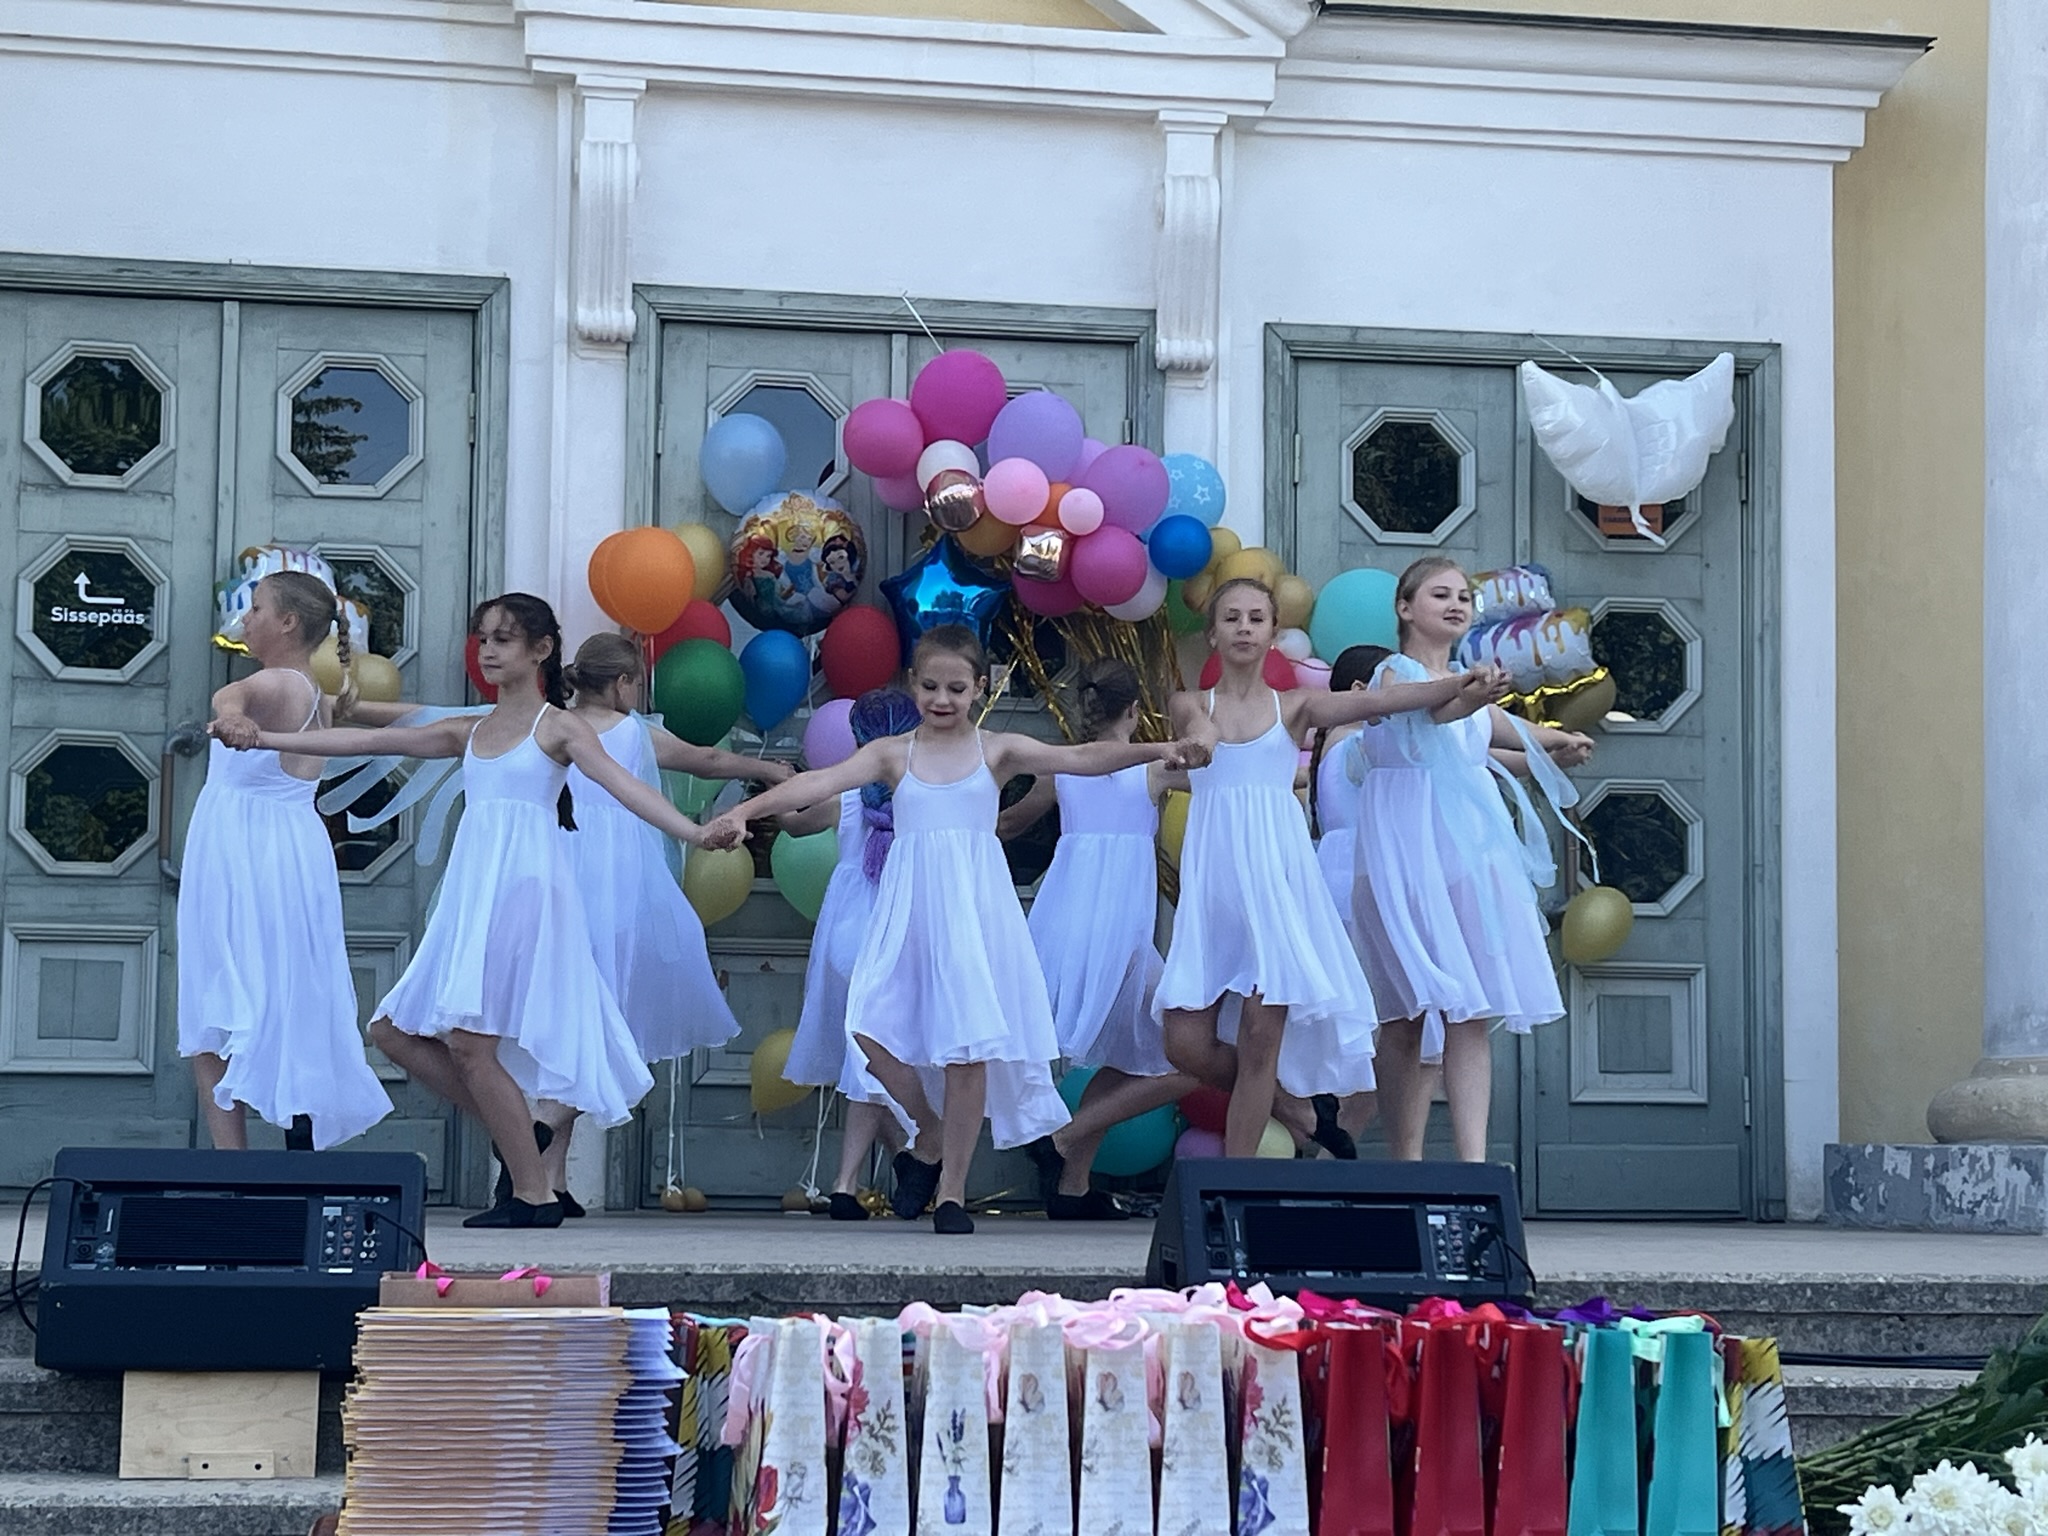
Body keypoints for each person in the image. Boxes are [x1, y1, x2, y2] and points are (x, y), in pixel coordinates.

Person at [221, 594, 738, 1228]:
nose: (489, 651)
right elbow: (372, 737)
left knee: (469, 1044)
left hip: (525, 896)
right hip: (474, 897)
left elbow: (626, 787)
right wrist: (264, 738)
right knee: (393, 1032)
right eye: (484, 639)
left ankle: (533, 1193)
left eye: (504, 640)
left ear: (541, 650)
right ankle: (521, 1143)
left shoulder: (559, 727)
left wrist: (695, 832)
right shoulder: (471, 729)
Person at [705, 625, 1198, 1235]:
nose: (942, 699)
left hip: (974, 913)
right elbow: (818, 782)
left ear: (980, 689)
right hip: (909, 912)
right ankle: (930, 1131)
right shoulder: (893, 754)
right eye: (931, 686)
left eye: (957, 688)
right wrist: (743, 810)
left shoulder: (997, 750)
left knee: (969, 1050)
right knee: (865, 1027)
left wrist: (1160, 749)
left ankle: (953, 1193)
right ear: (914, 684)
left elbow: (1082, 759)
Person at [1159, 577, 1506, 1158]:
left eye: (1256, 618)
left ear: (1273, 633)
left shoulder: (1297, 706)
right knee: (1184, 1041)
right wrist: (1200, 744)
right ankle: (1295, 1108)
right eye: (1232, 617)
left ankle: (1235, 1181)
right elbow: (1201, 732)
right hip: (1214, 893)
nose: (1244, 628)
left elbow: (1378, 702)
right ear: (1213, 633)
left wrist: (1460, 684)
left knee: (1260, 1037)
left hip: (1277, 887)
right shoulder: (1190, 703)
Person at [527, 633, 793, 1213]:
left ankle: (551, 1179)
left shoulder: (552, 727)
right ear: (624, 684)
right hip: (620, 885)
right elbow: (708, 760)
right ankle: (539, 1131)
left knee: (573, 1024)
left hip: (560, 875)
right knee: (607, 1023)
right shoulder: (633, 733)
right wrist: (768, 770)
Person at [1353, 556, 1594, 1162]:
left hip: (1468, 861)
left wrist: (1559, 741)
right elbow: (1436, 710)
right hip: (1409, 856)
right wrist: (1470, 694)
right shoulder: (1394, 673)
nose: (1457, 604)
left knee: (1471, 1011)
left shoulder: (1470, 685)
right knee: (1411, 1014)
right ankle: (1406, 1161)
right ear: (1405, 608)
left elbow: (1497, 732)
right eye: (1440, 594)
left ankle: (1474, 1162)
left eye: (1464, 596)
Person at [180, 571, 394, 1152]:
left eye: (256, 608)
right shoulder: (312, 693)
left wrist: (233, 715)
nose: (246, 619)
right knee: (286, 992)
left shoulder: (276, 683)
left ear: (288, 622)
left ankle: (234, 1170)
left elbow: (231, 698)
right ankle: (297, 1139)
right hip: (290, 852)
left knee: (220, 1000)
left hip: (248, 855)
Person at [994, 659, 1193, 1220]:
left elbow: (1008, 824)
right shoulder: (1153, 769)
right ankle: (1062, 1139)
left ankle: (1072, 1186)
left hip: (1063, 923)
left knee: (1127, 1055)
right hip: (1118, 935)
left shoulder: (1062, 769)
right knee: (1191, 1056)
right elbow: (1225, 779)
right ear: (1134, 711)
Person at [777, 688, 922, 1220]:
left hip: (844, 931)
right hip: (893, 931)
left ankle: (901, 1159)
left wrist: (782, 785)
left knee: (868, 1057)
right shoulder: (920, 796)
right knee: (879, 1059)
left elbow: (791, 823)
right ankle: (848, 1181)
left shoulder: (844, 797)